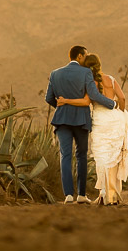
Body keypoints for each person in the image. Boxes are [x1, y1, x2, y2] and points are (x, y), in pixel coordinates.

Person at [55, 52, 128, 205]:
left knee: (102, 158)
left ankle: (104, 195)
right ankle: (113, 195)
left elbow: (85, 102)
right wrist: (121, 111)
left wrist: (65, 100)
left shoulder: (90, 82)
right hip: (115, 119)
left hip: (101, 120)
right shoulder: (111, 80)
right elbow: (122, 98)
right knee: (114, 157)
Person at [45, 45, 119, 203]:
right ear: (79, 56)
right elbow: (93, 94)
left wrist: (61, 106)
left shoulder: (55, 73)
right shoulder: (86, 72)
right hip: (81, 120)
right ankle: (81, 195)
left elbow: (48, 98)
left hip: (61, 119)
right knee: (81, 156)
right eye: (85, 56)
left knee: (65, 156)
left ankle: (68, 195)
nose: (86, 59)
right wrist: (111, 104)